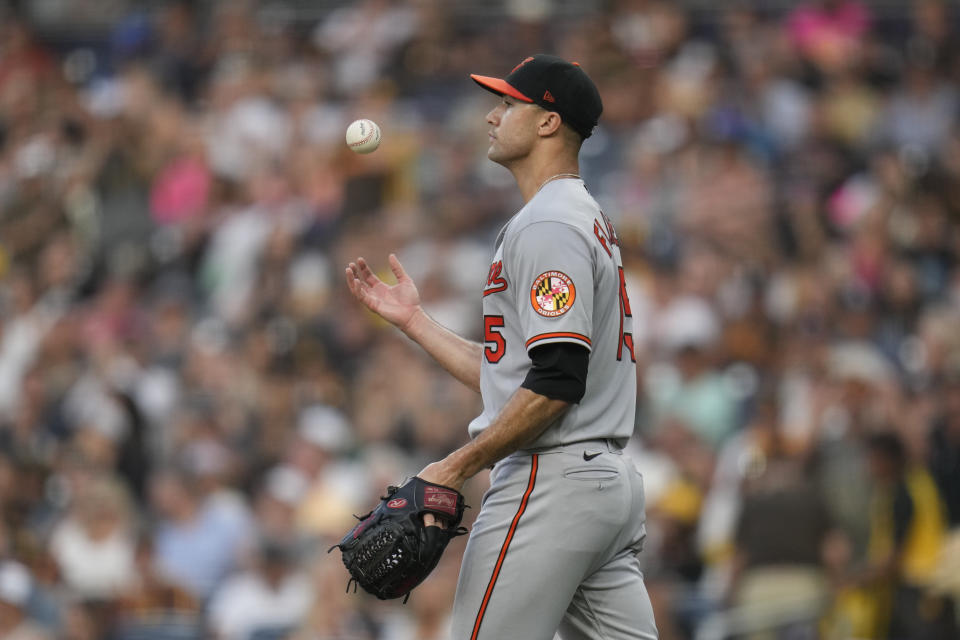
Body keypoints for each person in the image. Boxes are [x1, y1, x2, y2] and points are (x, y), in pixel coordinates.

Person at [345, 54, 657, 640]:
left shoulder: (547, 224)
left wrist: (455, 467)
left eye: (508, 103)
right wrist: (415, 322)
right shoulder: (579, 217)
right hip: (604, 485)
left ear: (547, 122)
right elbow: (523, 375)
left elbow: (558, 382)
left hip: (552, 480)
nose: (492, 116)